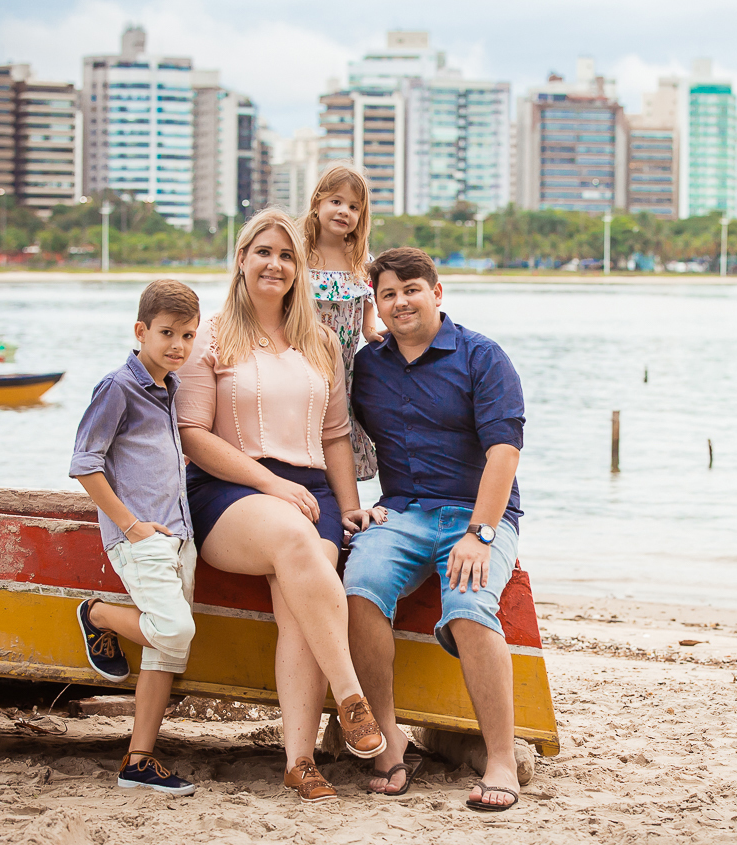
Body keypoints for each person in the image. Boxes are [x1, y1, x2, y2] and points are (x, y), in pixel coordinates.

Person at [176, 208, 387, 804]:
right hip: (228, 488)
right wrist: (270, 486)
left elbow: (336, 435)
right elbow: (193, 433)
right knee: (296, 541)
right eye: (262, 252)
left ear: (299, 269)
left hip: (311, 491)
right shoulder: (210, 336)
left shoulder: (321, 341)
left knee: (299, 601)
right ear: (241, 260)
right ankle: (352, 698)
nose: (274, 264)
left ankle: (300, 762)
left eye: (287, 255)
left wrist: (349, 506)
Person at [345, 247, 525, 811]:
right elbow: (324, 433)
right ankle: (389, 736)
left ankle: (500, 757)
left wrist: (481, 533)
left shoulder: (482, 356)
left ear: (437, 291)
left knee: (469, 608)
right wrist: (351, 505)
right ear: (378, 304)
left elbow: (503, 453)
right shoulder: (368, 366)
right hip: (401, 512)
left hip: (476, 516)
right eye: (388, 294)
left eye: (411, 290)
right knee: (359, 589)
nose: (401, 302)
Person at [70, 278, 201, 796]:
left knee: (167, 655)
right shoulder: (117, 387)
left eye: (188, 336)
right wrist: (130, 525)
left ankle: (138, 760)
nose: (178, 345)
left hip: (179, 534)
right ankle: (97, 614)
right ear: (141, 330)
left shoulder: (170, 386)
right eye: (168, 333)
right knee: (174, 631)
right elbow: (85, 464)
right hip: (140, 537)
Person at [301, 164, 382, 481]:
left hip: (343, 365)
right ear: (318, 202)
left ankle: (340, 494)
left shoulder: (359, 258)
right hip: (304, 354)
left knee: (336, 421)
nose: (343, 211)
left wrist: (370, 331)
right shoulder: (301, 252)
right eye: (336, 201)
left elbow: (368, 300)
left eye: (353, 207)